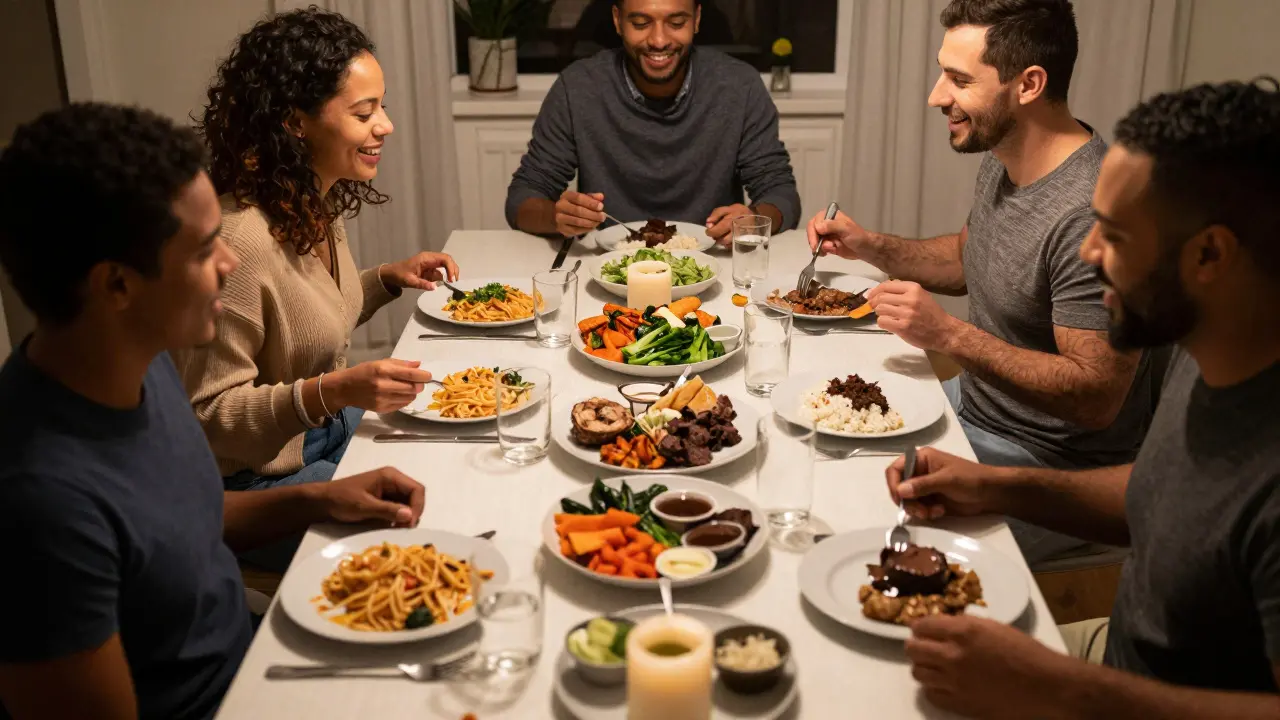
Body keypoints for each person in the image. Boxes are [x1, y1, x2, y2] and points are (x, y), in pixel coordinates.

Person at [0, 103, 427, 720]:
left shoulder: (140, 360)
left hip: (255, 656)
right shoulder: (40, 504)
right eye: (204, 251)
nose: (229, 263)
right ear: (116, 285)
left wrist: (321, 499)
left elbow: (184, 518)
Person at [885, 78, 1280, 718]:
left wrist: (1057, 687)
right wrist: (996, 487)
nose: (1088, 253)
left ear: (1210, 254)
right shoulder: (1210, 347)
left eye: (1114, 236)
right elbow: (1162, 495)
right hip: (1110, 666)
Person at [808, 0, 1154, 562]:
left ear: (1029, 85)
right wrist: (872, 246)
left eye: (960, 79)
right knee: (816, 458)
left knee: (862, 540)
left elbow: (1096, 398)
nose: (936, 95)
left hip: (1051, 467)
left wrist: (947, 335)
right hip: (971, 408)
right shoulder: (1006, 152)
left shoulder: (1089, 212)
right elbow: (971, 258)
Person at [177, 8, 457, 500]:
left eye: (382, 107)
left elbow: (304, 315)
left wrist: (385, 278)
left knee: (458, 449)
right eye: (364, 114)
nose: (386, 126)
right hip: (262, 479)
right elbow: (208, 416)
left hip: (326, 430)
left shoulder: (309, 201)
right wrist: (333, 391)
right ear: (295, 123)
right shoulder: (240, 241)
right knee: (435, 503)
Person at [505, 0, 801, 245]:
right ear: (618, 21)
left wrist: (754, 219)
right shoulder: (578, 87)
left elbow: (781, 194)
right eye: (640, 23)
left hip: (713, 265)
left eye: (676, 22)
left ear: (697, 19)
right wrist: (556, 217)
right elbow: (522, 199)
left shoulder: (739, 86)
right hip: (609, 267)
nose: (659, 41)